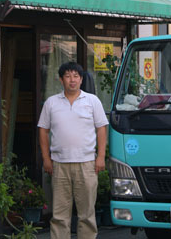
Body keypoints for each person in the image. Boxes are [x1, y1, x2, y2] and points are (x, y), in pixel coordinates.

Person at [38, 61, 108, 239]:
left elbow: (101, 129)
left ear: (81, 79)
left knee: (87, 215)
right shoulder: (51, 103)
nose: (72, 80)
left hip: (87, 164)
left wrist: (100, 157)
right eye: (68, 76)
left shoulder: (92, 101)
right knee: (60, 215)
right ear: (61, 79)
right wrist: (46, 158)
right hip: (60, 165)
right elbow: (43, 131)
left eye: (76, 76)